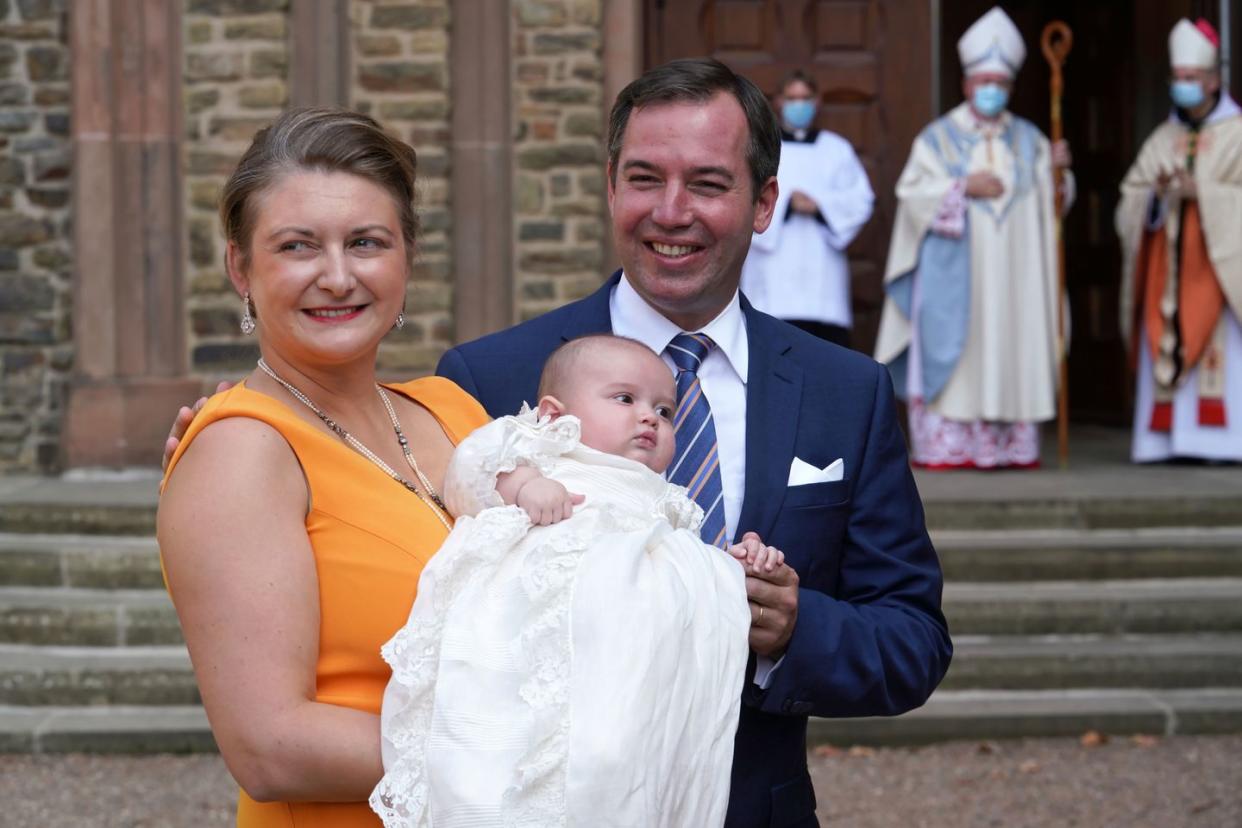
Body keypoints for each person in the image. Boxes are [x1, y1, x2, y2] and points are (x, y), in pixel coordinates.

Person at [435, 58, 951, 828]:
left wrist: (793, 629)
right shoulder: (489, 375)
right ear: (611, 186)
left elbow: (911, 638)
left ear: (764, 201)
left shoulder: (847, 393)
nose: (670, 212)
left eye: (707, 184)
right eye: (645, 178)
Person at [158, 108, 494, 826]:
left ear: (408, 257)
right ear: (240, 267)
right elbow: (270, 746)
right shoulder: (241, 451)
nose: (337, 277)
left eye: (367, 243)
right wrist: (531, 752)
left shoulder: (456, 413)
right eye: (297, 247)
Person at [372, 334, 783, 826]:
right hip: (544, 616)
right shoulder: (539, 446)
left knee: (618, 755)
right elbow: (468, 473)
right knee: (509, 724)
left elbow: (688, 569)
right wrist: (523, 485)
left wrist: (737, 564)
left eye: (665, 411)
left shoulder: (666, 498)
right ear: (552, 413)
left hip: (625, 654)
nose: (650, 416)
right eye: (624, 399)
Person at [874, 6, 1074, 470]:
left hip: (1015, 281)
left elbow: (1055, 209)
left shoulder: (1032, 141)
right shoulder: (938, 139)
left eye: (999, 84)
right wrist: (962, 188)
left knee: (1011, 347)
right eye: (983, 82)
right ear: (966, 85)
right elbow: (912, 195)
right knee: (958, 358)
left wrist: (1059, 176)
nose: (990, 91)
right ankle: (950, 444)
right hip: (956, 279)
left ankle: (1010, 445)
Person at [1116, 17, 1242, 463]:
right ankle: (1167, 443)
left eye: (1192, 78)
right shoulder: (1162, 139)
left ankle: (1221, 443)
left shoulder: (1237, 133)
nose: (1184, 85)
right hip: (1167, 272)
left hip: (1220, 274)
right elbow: (1130, 195)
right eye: (1179, 78)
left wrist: (1204, 193)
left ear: (1213, 80)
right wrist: (1155, 196)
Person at [741, 69, 875, 348]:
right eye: (792, 98)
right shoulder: (760, 149)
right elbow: (741, 197)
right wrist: (786, 203)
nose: (798, 105)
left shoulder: (837, 149)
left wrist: (820, 206)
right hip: (770, 282)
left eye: (805, 98)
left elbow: (860, 199)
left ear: (817, 102)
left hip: (822, 286)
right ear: (778, 101)